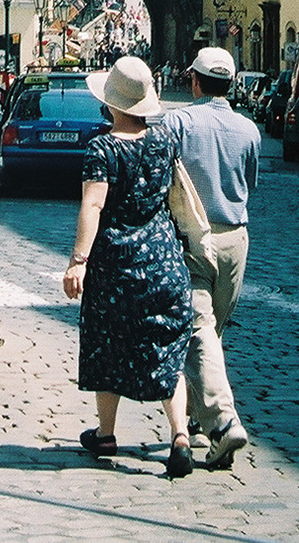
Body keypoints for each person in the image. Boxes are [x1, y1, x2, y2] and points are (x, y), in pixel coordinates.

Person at [62, 56, 195, 479]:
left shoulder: (102, 148)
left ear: (111, 103)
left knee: (107, 343)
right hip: (163, 261)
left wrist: (78, 260)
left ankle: (106, 434)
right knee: (167, 349)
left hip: (116, 266)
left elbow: (93, 204)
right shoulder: (163, 141)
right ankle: (179, 437)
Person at [160, 45, 258, 470]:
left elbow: (163, 175)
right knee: (212, 331)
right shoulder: (249, 129)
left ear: (194, 82)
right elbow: (249, 182)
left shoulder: (177, 121)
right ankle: (202, 419)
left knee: (198, 332)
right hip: (236, 238)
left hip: (193, 236)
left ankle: (222, 421)